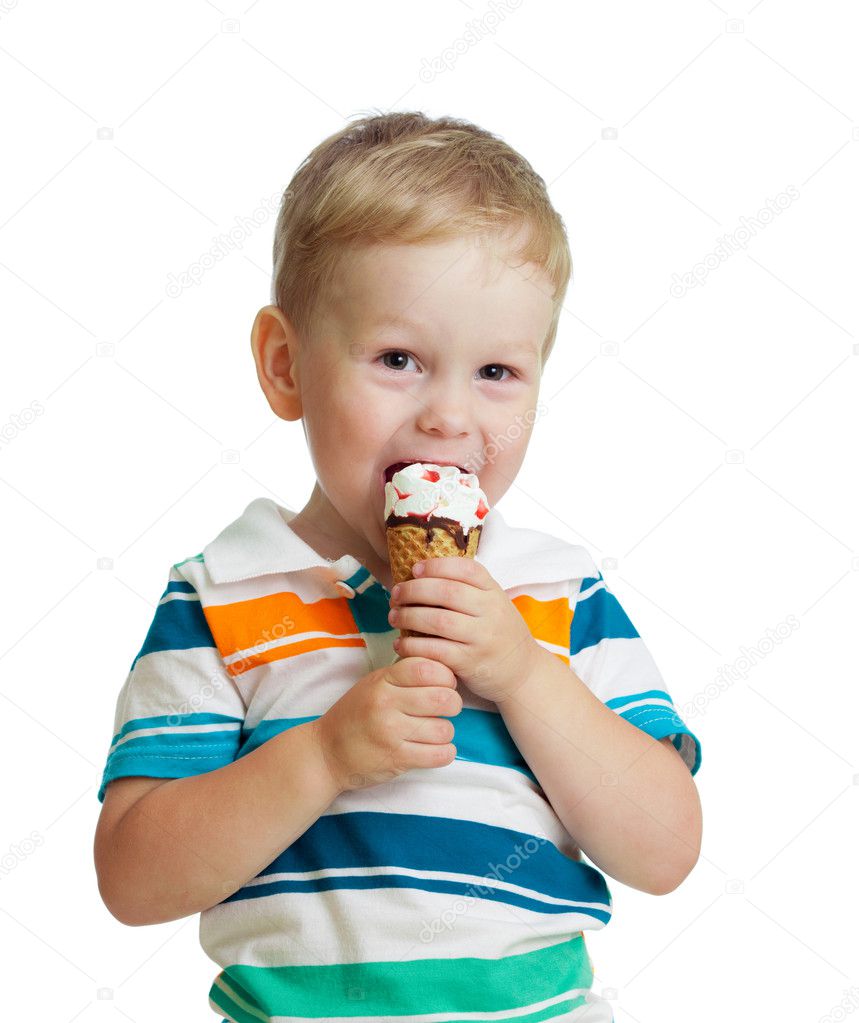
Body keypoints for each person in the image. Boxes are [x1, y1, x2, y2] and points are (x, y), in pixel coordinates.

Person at [93, 110, 703, 1023]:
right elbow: (134, 879)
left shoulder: (560, 596)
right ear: (285, 364)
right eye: (399, 359)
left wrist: (524, 677)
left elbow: (664, 851)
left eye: (496, 371)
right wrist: (322, 755)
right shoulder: (220, 595)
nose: (449, 416)